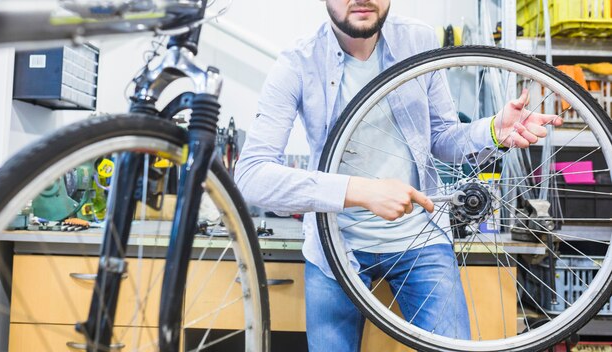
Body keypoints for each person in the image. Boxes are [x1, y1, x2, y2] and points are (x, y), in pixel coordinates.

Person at [235, 0, 562, 350]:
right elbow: (252, 175)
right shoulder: (299, 61)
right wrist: (363, 191)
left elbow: (441, 137)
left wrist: (493, 131)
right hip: (334, 246)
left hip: (420, 240)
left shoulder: (418, 41)